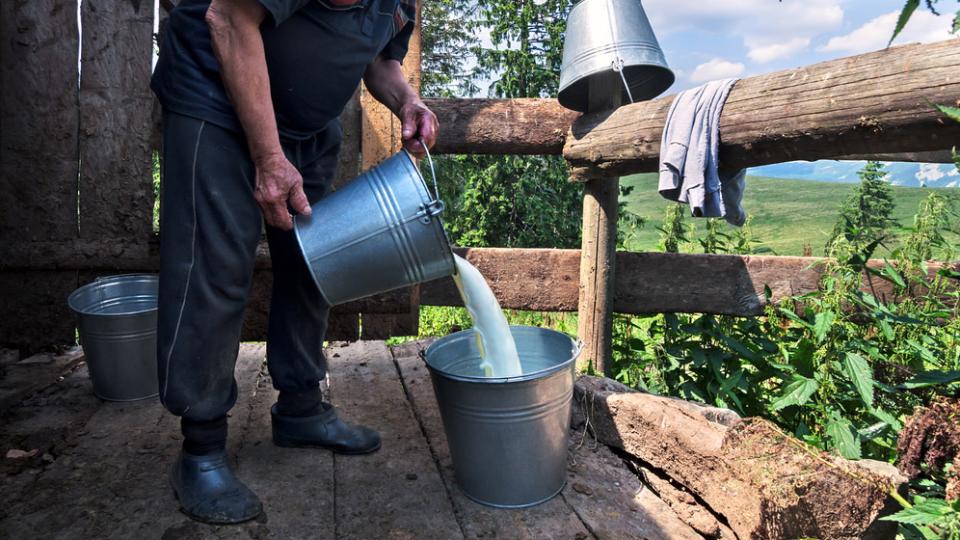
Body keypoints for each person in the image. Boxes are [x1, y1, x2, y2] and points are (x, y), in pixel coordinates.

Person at [151, 0, 438, 524]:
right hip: (214, 94)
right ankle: (202, 448)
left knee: (315, 260)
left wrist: (408, 102)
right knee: (214, 268)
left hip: (304, 123)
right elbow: (229, 18)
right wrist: (266, 156)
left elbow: (378, 58)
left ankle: (301, 408)